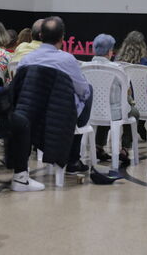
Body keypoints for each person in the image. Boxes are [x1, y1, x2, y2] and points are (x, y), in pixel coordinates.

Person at [19, 16, 93, 175]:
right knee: (88, 91)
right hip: (60, 118)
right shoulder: (67, 60)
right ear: (62, 38)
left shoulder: (26, 60)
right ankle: (73, 158)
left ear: (40, 36)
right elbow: (83, 92)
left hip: (31, 115)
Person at [91, 34, 138, 165]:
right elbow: (126, 91)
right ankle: (124, 149)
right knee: (133, 112)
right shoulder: (117, 69)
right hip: (114, 112)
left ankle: (99, 146)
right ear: (109, 51)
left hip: (93, 112)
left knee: (104, 109)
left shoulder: (85, 66)